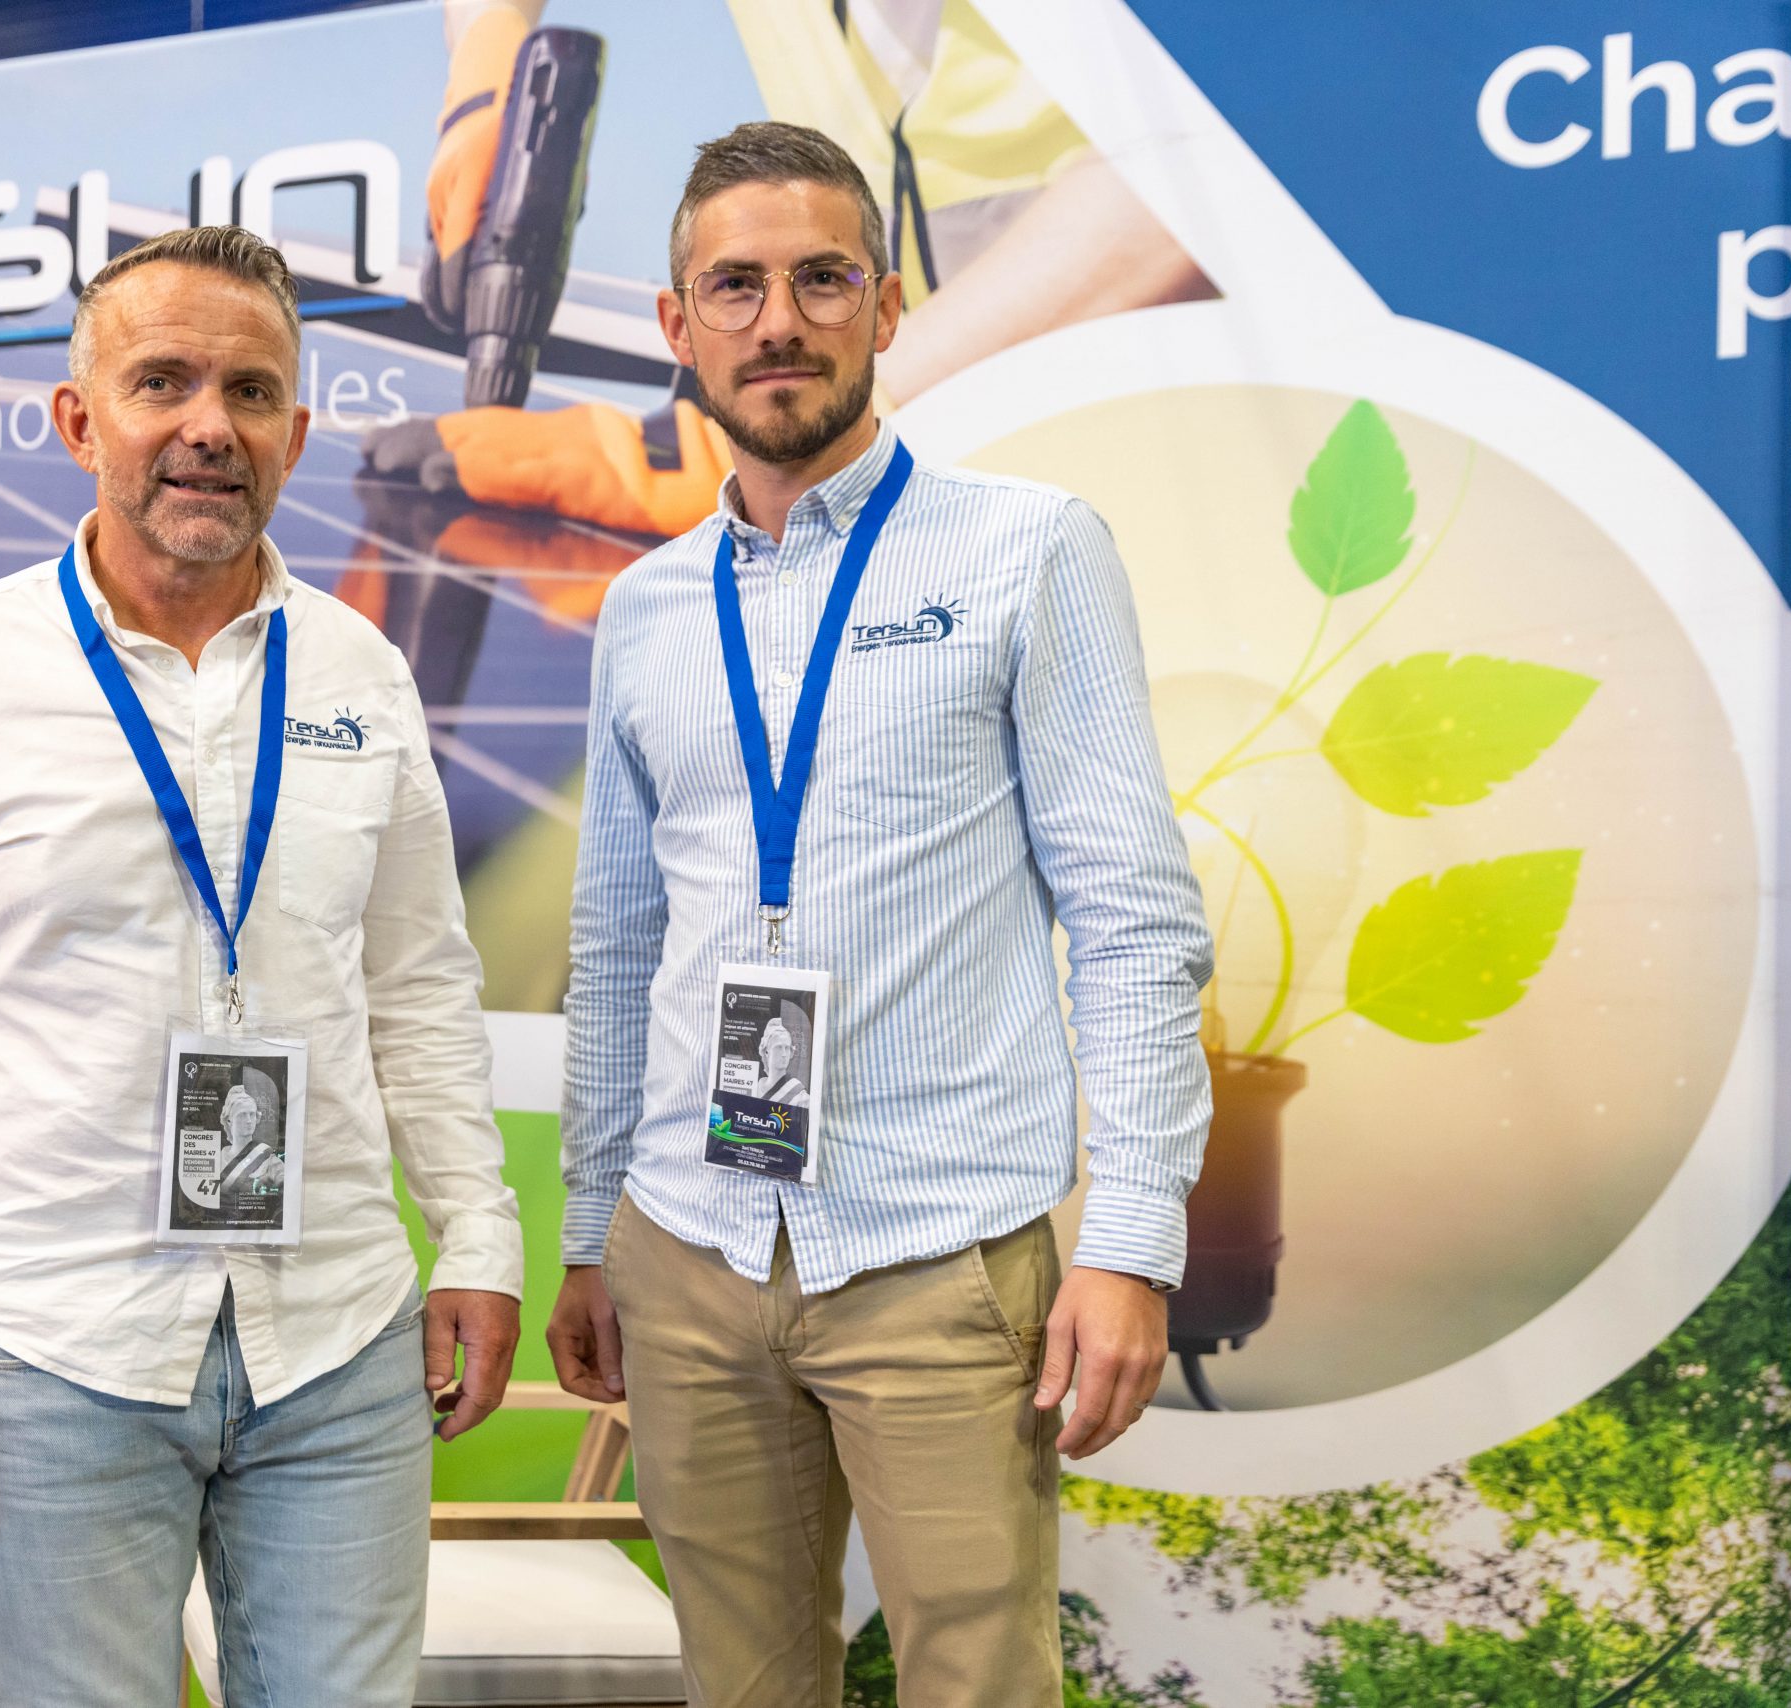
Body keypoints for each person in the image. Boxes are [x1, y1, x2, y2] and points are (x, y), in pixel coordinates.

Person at [0, 225, 526, 1708]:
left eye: (251, 392)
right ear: (80, 420)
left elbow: (421, 988)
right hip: (53, 1349)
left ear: (294, 434)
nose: (209, 427)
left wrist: (479, 1233)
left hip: (337, 1341)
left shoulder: (364, 673)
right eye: (162, 382)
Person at [547, 124, 1213, 1707]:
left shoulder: (1028, 551)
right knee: (743, 1682)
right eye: (735, 287)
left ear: (888, 305)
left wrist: (1133, 1241)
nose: (778, 322)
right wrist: (588, 1229)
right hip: (688, 1248)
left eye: (821, 280)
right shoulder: (645, 611)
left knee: (978, 1683)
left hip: (935, 1251)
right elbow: (620, 947)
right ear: (679, 323)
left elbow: (1132, 918)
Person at [370, 0, 1208, 537]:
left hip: (1158, 386)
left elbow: (1196, 169)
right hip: (913, 409)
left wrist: (815, 429)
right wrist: (485, 58)